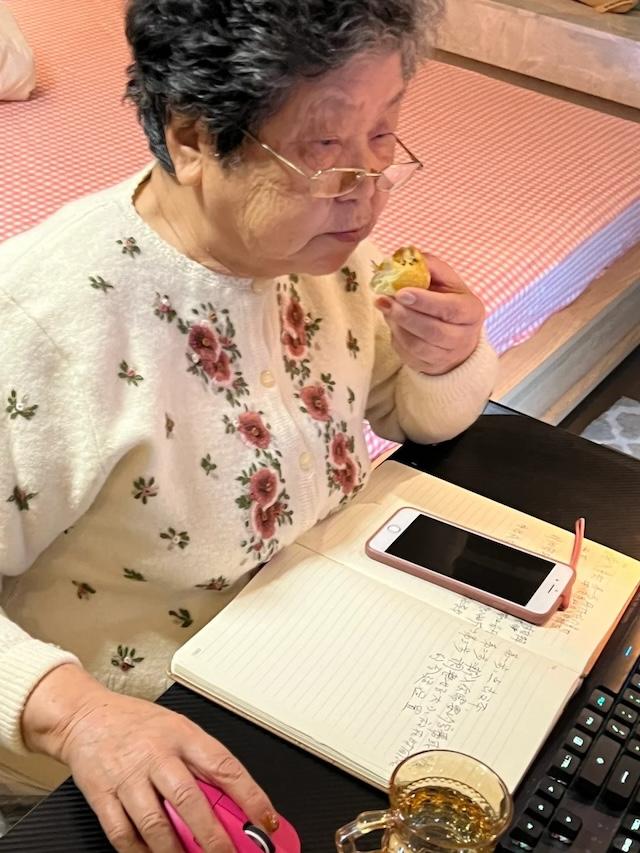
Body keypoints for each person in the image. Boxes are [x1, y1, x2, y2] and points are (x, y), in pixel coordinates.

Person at [0, 0, 498, 849]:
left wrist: (445, 354)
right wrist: (76, 715)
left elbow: (408, 413)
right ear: (192, 138)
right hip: (133, 775)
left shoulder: (325, 258)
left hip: (307, 686)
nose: (368, 191)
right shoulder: (45, 325)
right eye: (323, 148)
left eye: (386, 135)